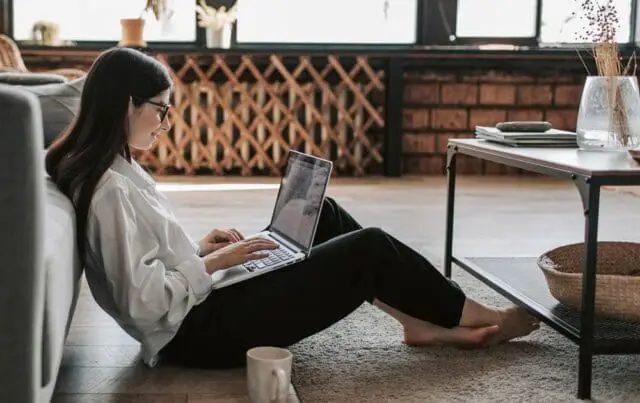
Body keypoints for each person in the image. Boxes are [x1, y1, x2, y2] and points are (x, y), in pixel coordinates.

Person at [45, 48, 540, 370]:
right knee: (369, 249)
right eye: (162, 109)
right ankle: (478, 315)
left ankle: (416, 322)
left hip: (197, 309)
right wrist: (213, 264)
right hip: (193, 336)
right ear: (127, 104)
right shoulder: (110, 188)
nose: (167, 122)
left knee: (322, 213)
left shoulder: (116, 169)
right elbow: (144, 304)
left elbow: (144, 266)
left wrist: (200, 249)